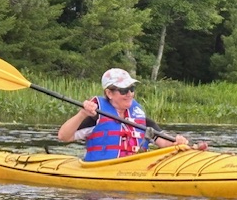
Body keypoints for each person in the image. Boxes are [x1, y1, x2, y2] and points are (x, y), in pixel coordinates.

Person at [58, 68, 189, 161]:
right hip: (102, 171)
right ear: (109, 93)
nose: (130, 94)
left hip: (136, 169)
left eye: (131, 89)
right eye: (124, 90)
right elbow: (63, 136)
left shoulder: (139, 117)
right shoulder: (95, 116)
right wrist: (82, 114)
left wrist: (177, 142)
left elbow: (164, 143)